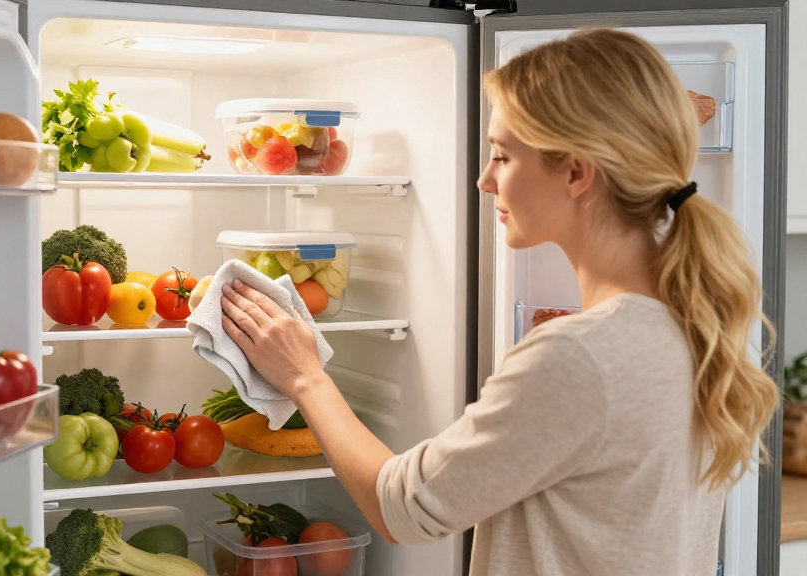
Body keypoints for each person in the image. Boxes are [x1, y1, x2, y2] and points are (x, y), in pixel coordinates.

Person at [218, 28, 779, 576]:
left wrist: (305, 376)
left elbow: (403, 509)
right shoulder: (697, 322)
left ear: (577, 172)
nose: (485, 180)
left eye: (503, 157)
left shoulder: (579, 356)